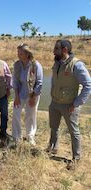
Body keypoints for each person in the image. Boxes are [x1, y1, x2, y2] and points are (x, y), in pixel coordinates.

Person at [47, 39, 91, 170]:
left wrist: (76, 103)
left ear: (64, 50)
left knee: (74, 132)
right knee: (53, 127)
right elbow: (55, 81)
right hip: (55, 103)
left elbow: (88, 85)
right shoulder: (57, 62)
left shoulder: (76, 65)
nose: (53, 51)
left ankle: (76, 158)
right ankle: (53, 148)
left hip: (69, 105)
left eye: (56, 49)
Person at [12, 43, 43, 145]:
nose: (18, 54)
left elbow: (39, 83)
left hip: (32, 94)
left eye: (20, 53)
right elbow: (15, 81)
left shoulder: (35, 65)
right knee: (16, 113)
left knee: (30, 115)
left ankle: (30, 136)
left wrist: (34, 97)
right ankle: (16, 137)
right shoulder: (17, 65)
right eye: (18, 52)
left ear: (27, 53)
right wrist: (16, 96)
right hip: (20, 93)